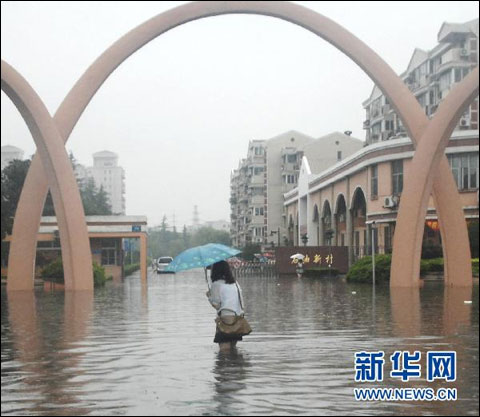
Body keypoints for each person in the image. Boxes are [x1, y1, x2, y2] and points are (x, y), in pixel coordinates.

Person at [206, 260, 246, 352]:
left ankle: (226, 365)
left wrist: (209, 297)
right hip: (238, 317)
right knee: (233, 349)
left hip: (225, 319)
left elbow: (216, 305)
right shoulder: (235, 283)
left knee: (224, 351)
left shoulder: (216, 284)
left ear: (215, 271)